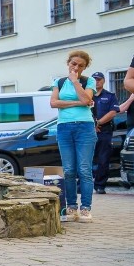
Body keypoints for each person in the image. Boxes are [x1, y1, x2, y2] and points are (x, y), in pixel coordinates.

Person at [50, 50, 96, 222]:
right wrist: (78, 102)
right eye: (73, 64)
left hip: (85, 127)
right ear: (68, 63)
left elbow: (87, 99)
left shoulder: (88, 81)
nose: (76, 67)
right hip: (64, 127)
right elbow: (54, 103)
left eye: (80, 65)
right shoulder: (59, 82)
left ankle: (85, 208)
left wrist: (76, 82)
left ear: (85, 67)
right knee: (69, 170)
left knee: (84, 169)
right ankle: (71, 207)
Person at [91, 71, 119, 195]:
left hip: (104, 131)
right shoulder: (86, 95)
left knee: (103, 159)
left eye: (99, 79)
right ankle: (82, 186)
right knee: (85, 159)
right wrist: (92, 125)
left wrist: (98, 123)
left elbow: (113, 112)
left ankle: (100, 185)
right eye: (94, 79)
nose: (97, 81)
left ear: (103, 81)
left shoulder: (110, 95)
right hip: (87, 131)